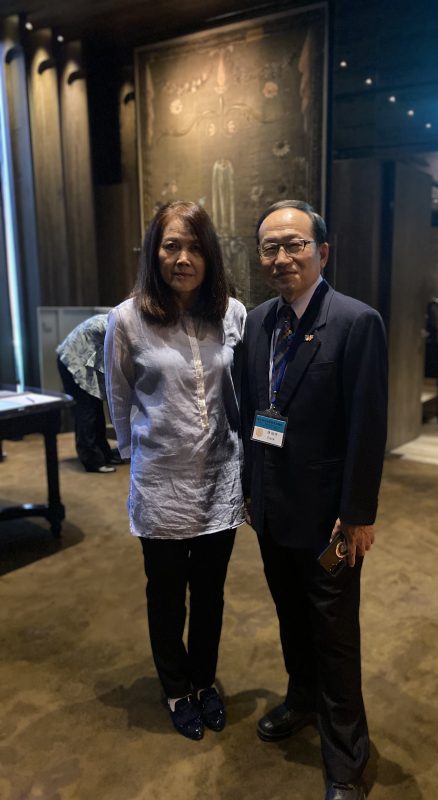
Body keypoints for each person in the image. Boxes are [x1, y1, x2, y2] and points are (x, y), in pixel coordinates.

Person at [242, 200, 388, 800]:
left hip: (330, 520)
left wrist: (358, 514)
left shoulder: (356, 322)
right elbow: (251, 413)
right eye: (270, 247)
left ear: (322, 252)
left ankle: (347, 758)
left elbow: (367, 426)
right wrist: (250, 490)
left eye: (295, 244)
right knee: (290, 618)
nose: (282, 257)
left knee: (334, 634)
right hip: (272, 509)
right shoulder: (257, 323)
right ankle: (301, 699)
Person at [104, 200, 246, 741]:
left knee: (210, 592)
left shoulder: (232, 313)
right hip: (161, 482)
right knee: (166, 594)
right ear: (154, 252)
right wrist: (130, 455)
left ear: (210, 256)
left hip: (219, 478)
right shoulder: (127, 318)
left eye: (194, 247)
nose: (183, 258)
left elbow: (239, 392)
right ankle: (176, 687)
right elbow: (118, 394)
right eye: (171, 246)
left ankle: (204, 680)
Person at [56, 313, 120, 473]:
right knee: (86, 410)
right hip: (73, 360)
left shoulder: (120, 321)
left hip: (84, 357)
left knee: (96, 409)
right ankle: (92, 460)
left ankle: (104, 454)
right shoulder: (119, 327)